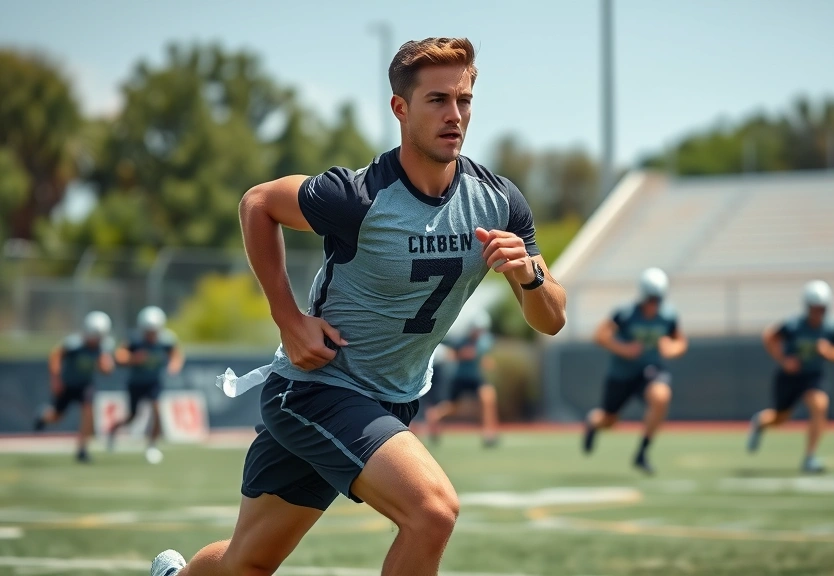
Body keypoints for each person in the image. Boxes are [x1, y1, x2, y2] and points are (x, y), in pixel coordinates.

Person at [151, 37, 566, 576]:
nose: (455, 114)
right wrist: (288, 319)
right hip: (318, 389)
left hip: (392, 399)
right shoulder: (357, 196)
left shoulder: (498, 200)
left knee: (245, 563)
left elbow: (551, 319)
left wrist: (530, 275)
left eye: (463, 100)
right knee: (432, 512)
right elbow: (258, 203)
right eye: (437, 100)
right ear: (400, 108)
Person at [582, 267, 688, 475]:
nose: (653, 305)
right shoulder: (625, 313)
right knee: (609, 420)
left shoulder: (668, 315)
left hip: (650, 370)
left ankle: (642, 452)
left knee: (661, 396)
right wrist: (623, 349)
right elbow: (599, 335)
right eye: (650, 299)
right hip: (622, 374)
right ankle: (593, 423)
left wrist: (671, 349)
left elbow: (681, 342)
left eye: (657, 300)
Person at [746, 280, 834, 473]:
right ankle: (759, 423)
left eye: (821, 309)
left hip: (813, 377)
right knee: (780, 418)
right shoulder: (794, 325)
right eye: (814, 308)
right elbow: (769, 336)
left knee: (820, 405)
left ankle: (810, 457)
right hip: (790, 378)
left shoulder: (831, 327)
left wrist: (829, 352)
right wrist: (783, 360)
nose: (818, 313)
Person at [33, 311, 115, 463]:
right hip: (68, 385)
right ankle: (42, 417)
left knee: (88, 411)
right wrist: (56, 379)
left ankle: (82, 449)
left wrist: (105, 366)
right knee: (56, 416)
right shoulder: (74, 344)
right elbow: (55, 356)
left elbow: (107, 369)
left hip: (85, 385)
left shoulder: (104, 347)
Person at [108, 306, 185, 463]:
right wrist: (133, 359)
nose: (151, 335)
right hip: (136, 383)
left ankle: (152, 445)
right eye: (149, 331)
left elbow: (176, 354)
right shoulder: (135, 340)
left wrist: (174, 365)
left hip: (153, 382)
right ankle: (113, 430)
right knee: (132, 417)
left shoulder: (166, 340)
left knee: (157, 410)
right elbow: (120, 355)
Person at [425, 312, 499, 447]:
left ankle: (489, 434)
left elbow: (482, 356)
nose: (479, 332)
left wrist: (486, 362)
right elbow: (450, 353)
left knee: (488, 398)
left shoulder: (485, 341)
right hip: (460, 378)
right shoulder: (460, 341)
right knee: (452, 407)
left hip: (476, 378)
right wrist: (460, 354)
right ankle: (435, 416)